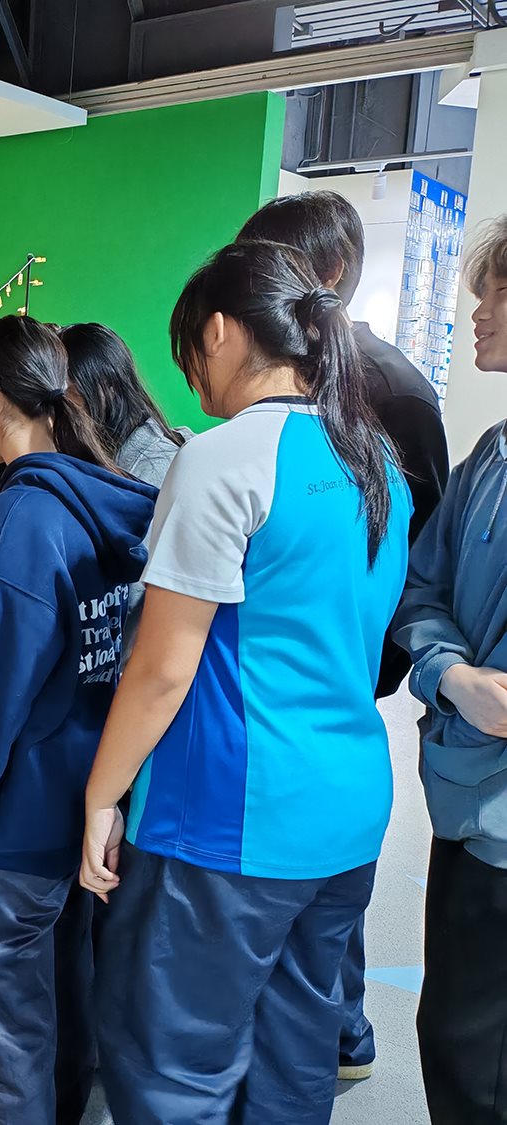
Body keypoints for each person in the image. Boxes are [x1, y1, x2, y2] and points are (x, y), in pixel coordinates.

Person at [81, 240, 411, 1125]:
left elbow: (162, 670)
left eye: (191, 348)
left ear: (223, 331)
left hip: (230, 822)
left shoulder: (225, 458)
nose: (191, 376)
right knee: (294, 1051)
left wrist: (101, 796)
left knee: (173, 1062)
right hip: (349, 808)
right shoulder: (374, 458)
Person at [0, 316, 157, 1125]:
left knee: (5, 1026)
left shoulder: (20, 523)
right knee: (62, 983)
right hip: (85, 797)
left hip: (14, 822)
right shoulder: (99, 502)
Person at [237, 188, 449, 1082]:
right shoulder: (302, 374)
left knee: (322, 851)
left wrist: (370, 657)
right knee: (313, 852)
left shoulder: (387, 387)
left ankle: (341, 1030)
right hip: (310, 651)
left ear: (326, 272)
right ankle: (329, 1026)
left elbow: (420, 547)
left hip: (346, 656)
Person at [394, 214, 507, 1124]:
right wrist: (453, 676)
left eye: (497, 292)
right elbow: (420, 589)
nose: (478, 311)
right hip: (470, 806)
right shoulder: (488, 458)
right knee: (458, 1040)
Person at [0, 322, 189, 524]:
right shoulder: (72, 465)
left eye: (66, 395)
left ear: (106, 389)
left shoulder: (155, 469)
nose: (52, 411)